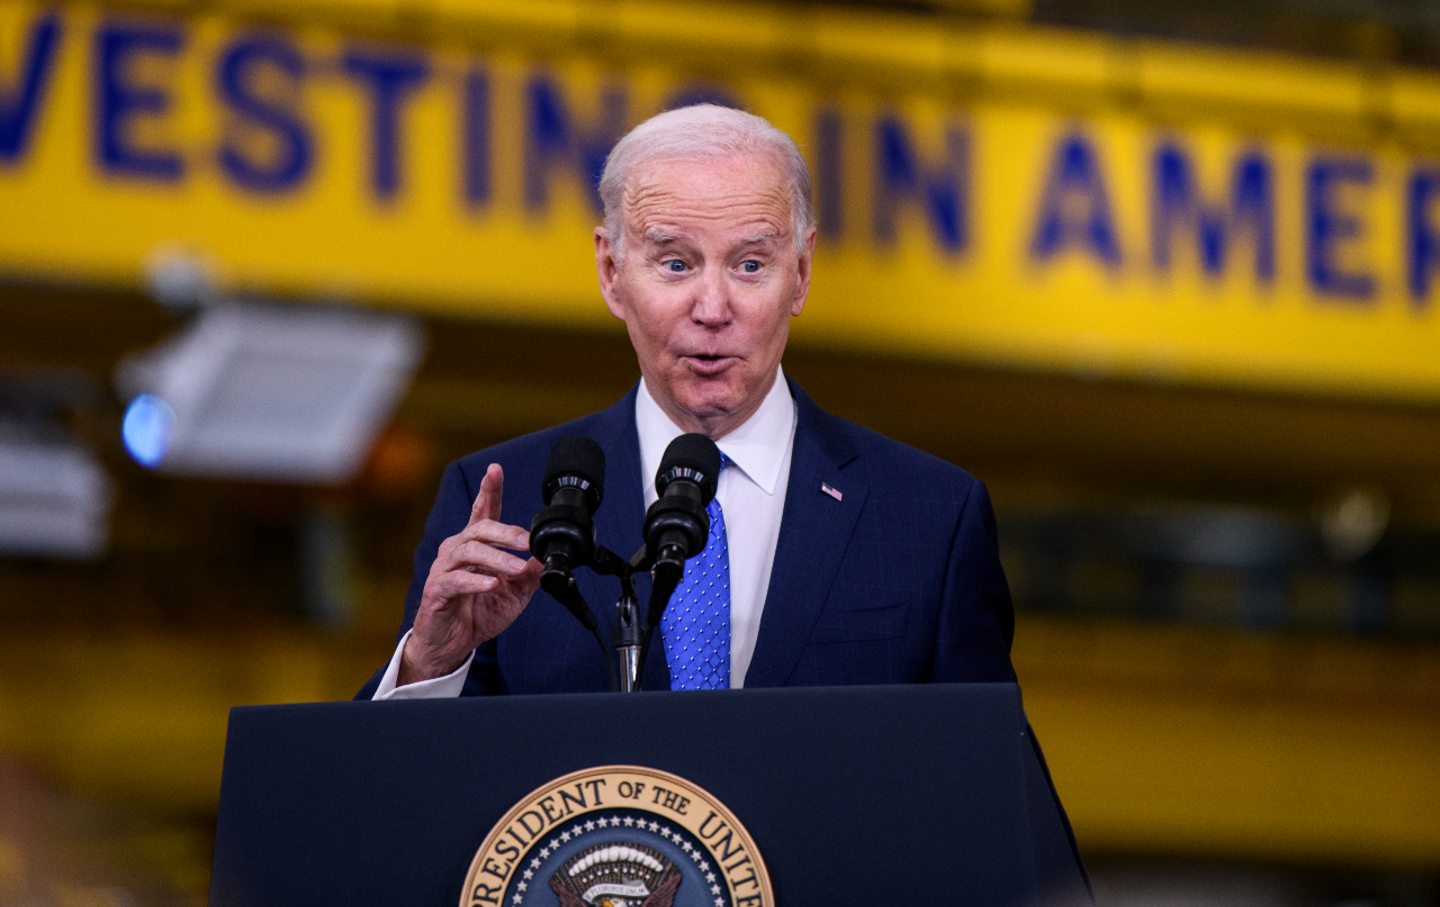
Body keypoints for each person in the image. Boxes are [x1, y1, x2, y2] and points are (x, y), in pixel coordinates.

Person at [358, 103, 1016, 699]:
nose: (712, 308)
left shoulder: (931, 518)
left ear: (803, 272)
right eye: (675, 263)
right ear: (611, 272)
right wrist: (430, 663)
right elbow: (404, 802)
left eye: (749, 265)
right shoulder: (505, 503)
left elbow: (986, 795)